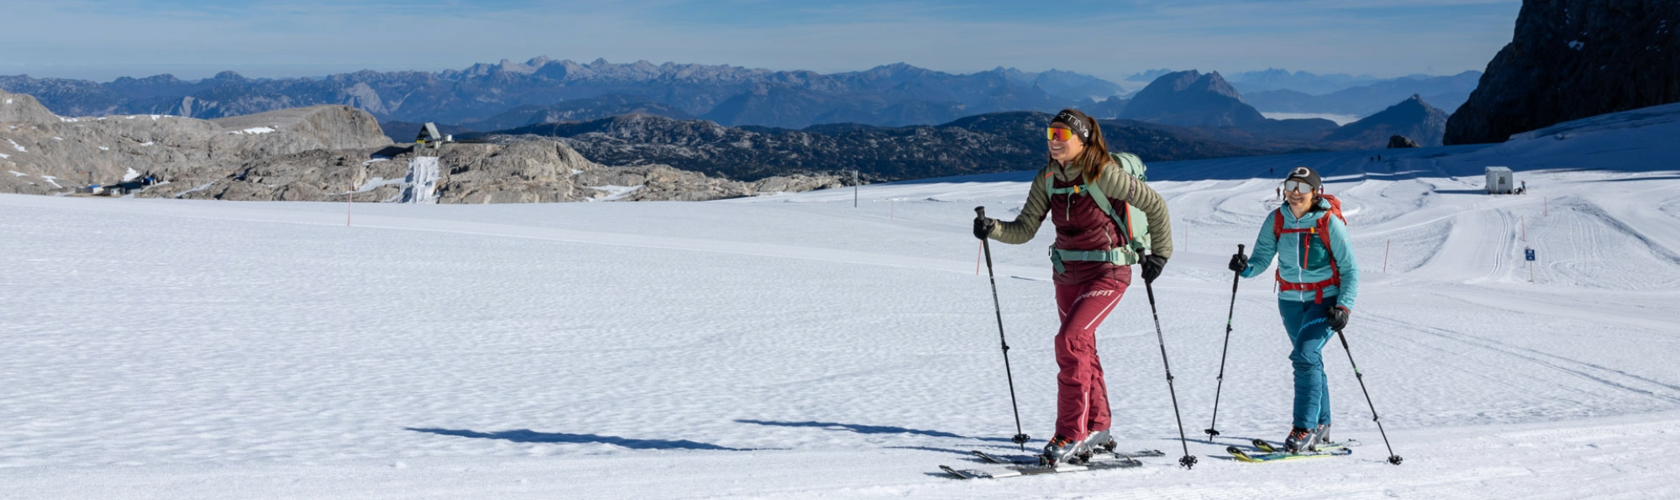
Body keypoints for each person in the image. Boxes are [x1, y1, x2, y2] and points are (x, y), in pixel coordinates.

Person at [972, 109, 1174, 465]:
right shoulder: (1047, 178)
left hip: (1108, 272)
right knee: (1082, 348)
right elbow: (1024, 229)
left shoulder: (1105, 174)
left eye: (1062, 135)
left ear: (1083, 140)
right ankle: (1098, 426)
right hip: (1066, 273)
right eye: (1050, 133)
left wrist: (1160, 254)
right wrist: (993, 228)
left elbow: (1155, 205)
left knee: (1069, 340)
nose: (1054, 140)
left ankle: (1071, 433)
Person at [1225, 166, 1359, 454]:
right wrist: (1245, 268)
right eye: (1290, 185)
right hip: (1289, 300)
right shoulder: (1276, 219)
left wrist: (1344, 306)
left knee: (1305, 355)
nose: (1295, 193)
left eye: (1302, 187)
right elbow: (1261, 259)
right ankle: (1322, 424)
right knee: (1309, 359)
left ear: (1315, 192)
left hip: (1325, 300)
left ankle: (1304, 428)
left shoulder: (1327, 221)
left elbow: (1350, 270)